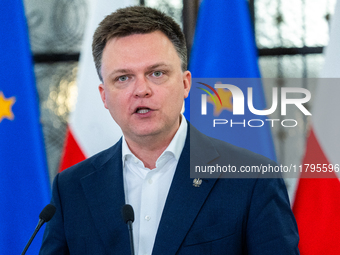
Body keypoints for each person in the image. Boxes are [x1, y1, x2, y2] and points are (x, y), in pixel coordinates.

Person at [40, 6, 299, 255]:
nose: (141, 90)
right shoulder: (72, 187)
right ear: (104, 96)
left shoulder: (252, 180)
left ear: (186, 84)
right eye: (123, 78)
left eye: (156, 73)